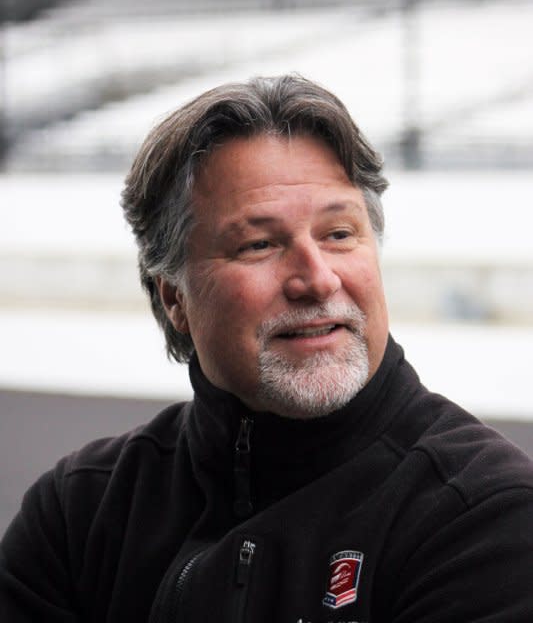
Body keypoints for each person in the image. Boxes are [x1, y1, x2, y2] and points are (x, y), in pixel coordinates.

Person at [1, 74, 532, 622]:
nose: (318, 279)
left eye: (340, 234)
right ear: (174, 298)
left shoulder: (486, 516)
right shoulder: (83, 509)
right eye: (259, 244)